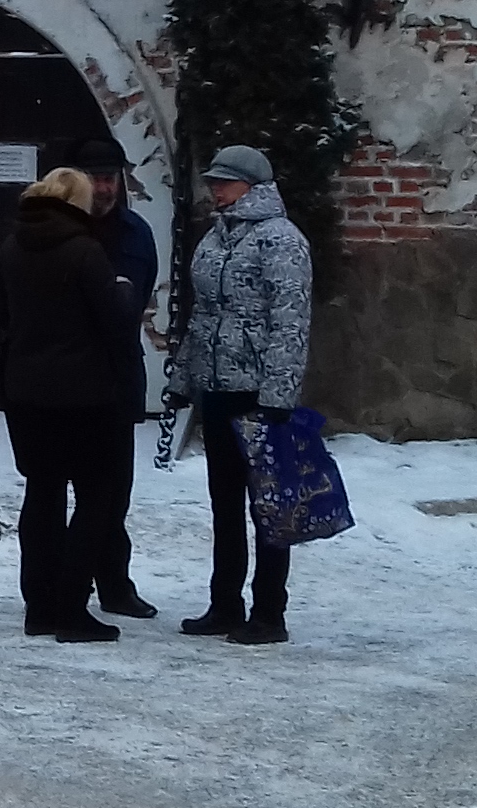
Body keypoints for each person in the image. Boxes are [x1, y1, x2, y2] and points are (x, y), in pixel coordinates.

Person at [0, 166, 144, 643]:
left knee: (42, 493)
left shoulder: (12, 246)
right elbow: (114, 321)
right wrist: (122, 293)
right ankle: (72, 608)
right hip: (82, 394)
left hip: (25, 393)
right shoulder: (84, 250)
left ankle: (40, 606)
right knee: (97, 498)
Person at [169, 143, 314, 646]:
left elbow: (290, 322)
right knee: (223, 503)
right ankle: (224, 603)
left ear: (253, 186)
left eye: (225, 182)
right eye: (214, 181)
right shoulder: (215, 238)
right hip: (218, 387)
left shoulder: (281, 241)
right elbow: (202, 314)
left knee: (269, 507)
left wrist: (279, 393)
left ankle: (269, 612)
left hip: (258, 393)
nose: (216, 189)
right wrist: (182, 377)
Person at [72, 136, 156, 620]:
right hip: (66, 380)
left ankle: (114, 584)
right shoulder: (61, 231)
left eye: (111, 178)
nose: (105, 188)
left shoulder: (134, 233)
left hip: (116, 377)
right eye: (96, 179)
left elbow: (132, 303)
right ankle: (70, 583)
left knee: (113, 489)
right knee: (68, 488)